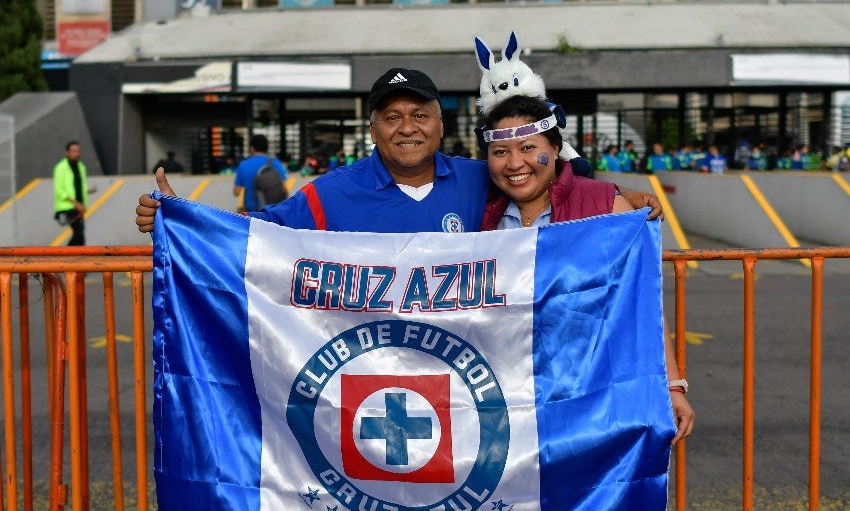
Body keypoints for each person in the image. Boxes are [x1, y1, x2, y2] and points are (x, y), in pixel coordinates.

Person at [137, 67, 662, 232]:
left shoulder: (481, 177)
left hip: (474, 382)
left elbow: (546, 177)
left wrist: (619, 194)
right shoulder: (328, 195)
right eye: (392, 117)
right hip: (370, 387)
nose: (406, 128)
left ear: (439, 125)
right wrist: (178, 217)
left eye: (419, 115)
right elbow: (252, 230)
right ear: (372, 128)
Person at [477, 95, 694, 444]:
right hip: (507, 397)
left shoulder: (606, 205)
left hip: (591, 394)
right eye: (500, 152)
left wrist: (672, 385)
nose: (515, 162)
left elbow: (641, 303)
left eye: (529, 147)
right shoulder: (480, 214)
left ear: (556, 147)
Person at [54, 140, 97, 246]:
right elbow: (59, 190)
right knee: (78, 232)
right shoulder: (61, 168)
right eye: (73, 151)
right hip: (68, 207)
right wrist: (76, 203)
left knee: (80, 235)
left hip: (79, 206)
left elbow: (78, 185)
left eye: (78, 151)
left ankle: (74, 258)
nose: (76, 153)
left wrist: (88, 190)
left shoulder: (80, 166)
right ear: (67, 153)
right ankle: (64, 255)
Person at [232, 134, 288, 212]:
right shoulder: (276, 163)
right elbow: (284, 189)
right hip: (272, 211)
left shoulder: (244, 164)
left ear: (252, 148)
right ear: (267, 148)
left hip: (253, 212)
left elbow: (236, 192)